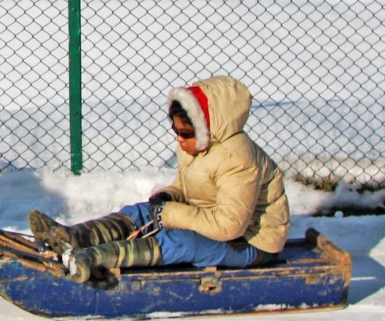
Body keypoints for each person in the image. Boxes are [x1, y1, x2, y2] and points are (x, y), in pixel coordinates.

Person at [29, 75, 289, 284]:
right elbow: (193, 188)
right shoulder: (197, 144)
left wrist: (173, 214)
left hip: (249, 243)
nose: (179, 139)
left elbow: (230, 227)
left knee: (184, 243)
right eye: (176, 130)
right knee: (142, 212)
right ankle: (76, 236)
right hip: (211, 221)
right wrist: (170, 196)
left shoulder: (238, 159)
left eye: (185, 132)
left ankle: (94, 257)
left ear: (210, 127)